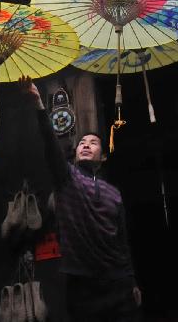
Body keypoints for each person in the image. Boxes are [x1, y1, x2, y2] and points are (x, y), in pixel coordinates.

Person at [22, 78, 141, 322]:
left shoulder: (113, 193)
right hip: (81, 282)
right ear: (75, 153)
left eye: (93, 143)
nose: (86, 145)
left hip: (118, 282)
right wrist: (38, 105)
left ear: (103, 155)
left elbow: (123, 241)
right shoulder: (67, 178)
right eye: (82, 143)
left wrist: (132, 282)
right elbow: (50, 145)